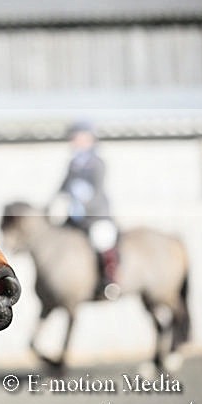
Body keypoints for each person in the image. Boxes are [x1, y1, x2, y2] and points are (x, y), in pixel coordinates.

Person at [51, 121, 121, 300]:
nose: (74, 140)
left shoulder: (98, 163)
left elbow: (97, 191)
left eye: (77, 136)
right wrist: (51, 204)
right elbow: (63, 186)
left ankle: (109, 281)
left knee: (102, 238)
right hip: (76, 216)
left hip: (96, 215)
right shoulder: (74, 163)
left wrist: (84, 205)